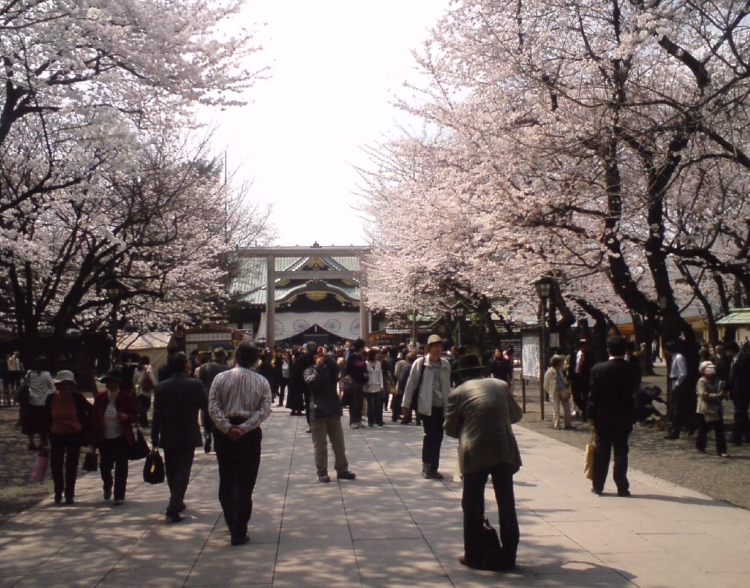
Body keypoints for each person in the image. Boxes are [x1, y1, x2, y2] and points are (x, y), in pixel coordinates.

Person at [444, 354, 522, 571]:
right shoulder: (501, 385)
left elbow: (449, 429)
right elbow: (516, 415)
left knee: (472, 504)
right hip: (503, 449)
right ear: (481, 370)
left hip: (475, 451)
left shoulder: (458, 393)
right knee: (506, 503)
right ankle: (509, 555)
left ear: (461, 375)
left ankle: (473, 555)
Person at [208, 341, 272, 546]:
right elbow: (264, 410)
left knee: (226, 477)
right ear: (255, 359)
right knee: (246, 481)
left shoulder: (220, 378)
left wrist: (227, 427)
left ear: (235, 356)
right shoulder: (262, 381)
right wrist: (243, 428)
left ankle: (231, 520)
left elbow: (213, 406)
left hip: (224, 434)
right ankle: (240, 528)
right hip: (249, 434)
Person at [151, 352, 209, 522]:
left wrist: (154, 436)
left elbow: (157, 415)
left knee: (171, 469)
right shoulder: (195, 385)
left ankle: (176, 499)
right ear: (185, 366)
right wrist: (212, 428)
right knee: (183, 470)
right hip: (188, 432)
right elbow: (206, 407)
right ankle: (174, 504)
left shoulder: (161, 387)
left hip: (168, 433)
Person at [587, 336, 640, 497]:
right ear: (625, 350)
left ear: (608, 350)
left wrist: (590, 415)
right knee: (621, 450)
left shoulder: (598, 369)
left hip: (602, 415)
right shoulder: (632, 369)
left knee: (602, 451)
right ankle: (622, 486)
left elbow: (592, 396)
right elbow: (635, 392)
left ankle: (598, 485)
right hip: (624, 414)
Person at [402, 334, 452, 479]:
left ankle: (434, 467)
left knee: (439, 436)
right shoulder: (420, 363)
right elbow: (411, 384)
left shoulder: (445, 364)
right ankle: (427, 465)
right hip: (427, 405)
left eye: (440, 346)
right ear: (428, 348)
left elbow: (448, 386)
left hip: (441, 406)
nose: (438, 349)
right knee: (430, 436)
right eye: (435, 346)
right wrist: (405, 404)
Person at [303, 348, 356, 483]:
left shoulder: (330, 369)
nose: (319, 356)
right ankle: (322, 472)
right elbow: (312, 383)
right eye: (316, 354)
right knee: (320, 446)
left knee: (339, 444)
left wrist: (327, 357)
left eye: (320, 354)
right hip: (318, 412)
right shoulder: (309, 371)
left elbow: (337, 370)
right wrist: (318, 367)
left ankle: (342, 469)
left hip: (333, 410)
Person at [43, 371, 92, 505]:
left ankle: (69, 494)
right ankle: (58, 490)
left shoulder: (77, 397)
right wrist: (44, 439)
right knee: (56, 464)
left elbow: (91, 411)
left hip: (74, 434)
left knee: (71, 464)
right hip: (56, 434)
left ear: (71, 385)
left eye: (67, 384)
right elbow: (45, 419)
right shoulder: (51, 398)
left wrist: (88, 431)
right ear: (57, 385)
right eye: (61, 384)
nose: (64, 387)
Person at [91, 370, 138, 505]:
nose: (111, 385)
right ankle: (107, 484)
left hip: (121, 437)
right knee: (105, 466)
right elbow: (94, 417)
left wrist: (126, 417)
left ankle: (119, 495)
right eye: (108, 382)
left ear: (119, 383)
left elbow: (135, 416)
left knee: (121, 467)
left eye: (113, 382)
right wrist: (93, 437)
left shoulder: (126, 397)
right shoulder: (100, 398)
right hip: (105, 437)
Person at [198, 348, 231, 453]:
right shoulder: (227, 368)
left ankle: (207, 435)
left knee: (207, 420)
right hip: (223, 399)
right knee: (219, 421)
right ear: (223, 357)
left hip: (207, 397)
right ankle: (217, 443)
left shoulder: (204, 367)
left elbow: (201, 383)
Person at [695, 361, 728, 457]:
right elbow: (703, 395)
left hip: (716, 408)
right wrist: (717, 395)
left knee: (719, 429)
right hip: (706, 409)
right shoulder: (702, 381)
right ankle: (700, 445)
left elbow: (720, 390)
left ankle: (722, 450)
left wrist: (723, 394)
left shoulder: (717, 380)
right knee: (704, 428)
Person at [22, 357, 55, 450]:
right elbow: (52, 387)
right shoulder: (46, 374)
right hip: (43, 402)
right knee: (43, 424)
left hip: (31, 401)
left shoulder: (29, 373)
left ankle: (31, 442)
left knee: (30, 423)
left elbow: (25, 383)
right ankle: (42, 442)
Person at [663, 341, 690, 439]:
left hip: (678, 384)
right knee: (675, 407)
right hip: (674, 382)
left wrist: (677, 384)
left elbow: (683, 373)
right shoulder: (674, 357)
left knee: (676, 408)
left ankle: (675, 431)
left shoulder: (679, 358)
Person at [726, 341, 750, 445]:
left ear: (731, 350)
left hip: (742, 391)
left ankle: (736, 437)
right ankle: (747, 435)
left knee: (739, 413)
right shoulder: (733, 360)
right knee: (742, 414)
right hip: (735, 391)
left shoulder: (744, 359)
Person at [544, 355, 573, 430]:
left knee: (567, 407)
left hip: (563, 390)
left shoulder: (560, 371)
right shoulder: (549, 372)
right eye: (561, 363)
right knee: (556, 409)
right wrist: (550, 392)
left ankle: (568, 424)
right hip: (555, 392)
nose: (562, 364)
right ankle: (557, 424)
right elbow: (546, 385)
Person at [568, 340, 595, 420]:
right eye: (583, 347)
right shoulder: (574, 355)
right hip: (576, 378)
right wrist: (569, 377)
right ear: (580, 347)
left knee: (585, 396)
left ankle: (585, 415)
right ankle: (584, 409)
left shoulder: (590, 357)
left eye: (586, 347)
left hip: (585, 379)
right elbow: (571, 366)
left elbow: (591, 368)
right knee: (576, 397)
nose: (585, 348)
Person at [345, 339, 369, 429]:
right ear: (361, 347)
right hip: (353, 382)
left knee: (360, 402)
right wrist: (359, 374)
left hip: (361, 382)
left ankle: (358, 420)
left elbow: (364, 369)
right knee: (353, 402)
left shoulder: (362, 357)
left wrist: (366, 380)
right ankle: (353, 421)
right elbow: (349, 370)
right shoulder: (352, 357)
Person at [133, 356, 155, 427]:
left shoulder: (137, 369)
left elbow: (134, 380)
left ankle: (144, 422)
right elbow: (152, 377)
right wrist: (155, 385)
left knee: (142, 406)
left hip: (138, 390)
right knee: (146, 406)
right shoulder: (148, 367)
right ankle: (142, 419)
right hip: (146, 390)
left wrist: (135, 388)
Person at [364, 348, 385, 427]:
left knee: (377, 404)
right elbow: (365, 374)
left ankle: (378, 420)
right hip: (369, 386)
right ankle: (370, 421)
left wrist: (382, 385)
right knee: (370, 405)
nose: (378, 355)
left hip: (377, 386)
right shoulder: (366, 363)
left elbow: (380, 374)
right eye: (377, 354)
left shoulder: (378, 363)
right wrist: (366, 382)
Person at [287, 349, 306, 416]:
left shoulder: (293, 364)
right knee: (298, 397)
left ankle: (293, 410)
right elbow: (301, 374)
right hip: (298, 383)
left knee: (293, 397)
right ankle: (299, 410)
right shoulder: (299, 364)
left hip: (292, 383)